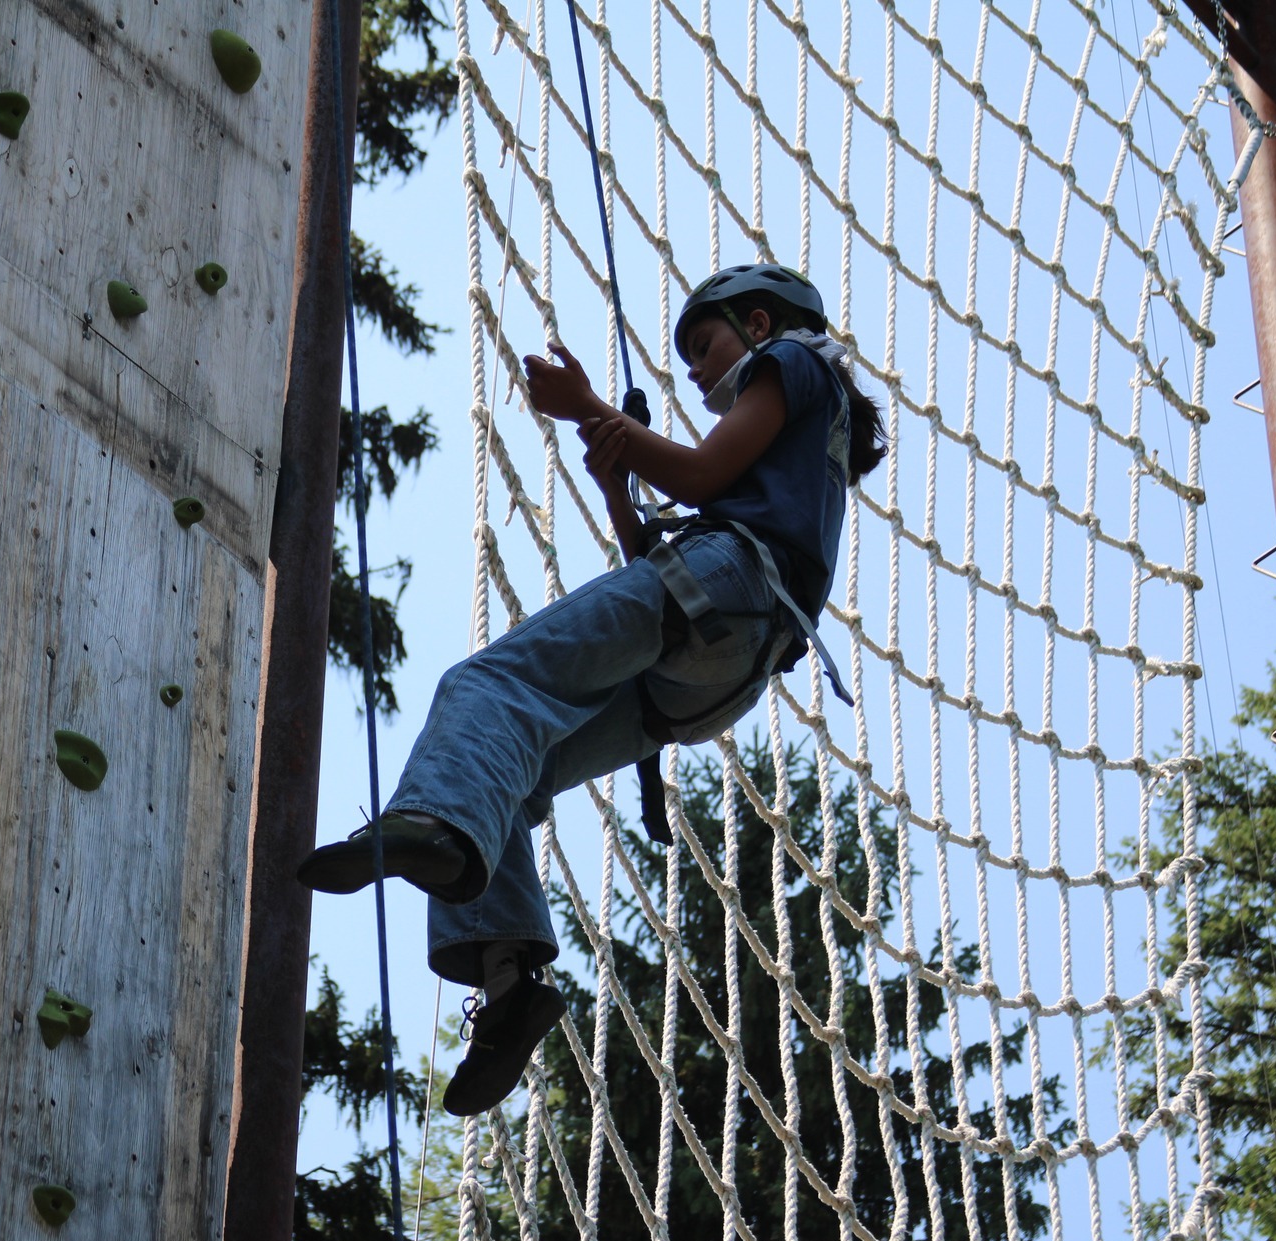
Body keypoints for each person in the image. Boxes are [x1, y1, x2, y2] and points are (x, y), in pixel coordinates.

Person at [300, 264, 887, 1116]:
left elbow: (697, 478)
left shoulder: (795, 360)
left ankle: (435, 829)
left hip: (726, 585)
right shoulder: (807, 450)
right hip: (724, 665)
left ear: (758, 323)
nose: (694, 369)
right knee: (514, 768)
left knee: (488, 685)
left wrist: (586, 409)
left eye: (705, 344)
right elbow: (670, 539)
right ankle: (507, 985)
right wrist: (618, 487)